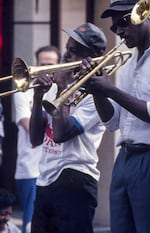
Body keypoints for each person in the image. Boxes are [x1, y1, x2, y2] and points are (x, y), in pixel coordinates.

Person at [80, 1, 150, 232]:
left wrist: (111, 90)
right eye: (113, 28)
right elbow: (113, 122)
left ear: (145, 17)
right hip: (125, 159)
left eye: (123, 23)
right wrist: (98, 92)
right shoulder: (127, 63)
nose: (118, 31)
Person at [29, 22, 107, 233]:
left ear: (90, 58)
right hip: (45, 179)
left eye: (74, 52)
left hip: (76, 180)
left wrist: (62, 89)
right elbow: (35, 139)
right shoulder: (56, 86)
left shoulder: (95, 95)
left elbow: (61, 135)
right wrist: (38, 97)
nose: (65, 55)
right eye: (67, 49)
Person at [13, 45, 61, 233]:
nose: (47, 68)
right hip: (30, 169)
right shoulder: (24, 89)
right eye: (43, 64)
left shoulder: (61, 89)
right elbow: (28, 127)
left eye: (51, 64)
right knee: (31, 223)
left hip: (54, 168)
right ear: (36, 65)